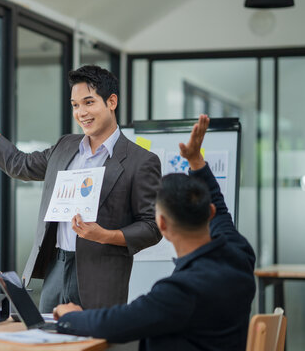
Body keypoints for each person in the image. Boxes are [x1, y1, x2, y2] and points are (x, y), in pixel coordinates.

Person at [0, 65, 162, 312]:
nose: (81, 112)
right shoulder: (65, 146)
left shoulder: (141, 160)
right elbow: (19, 164)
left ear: (112, 101)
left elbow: (152, 226)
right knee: (48, 341)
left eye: (89, 102)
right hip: (56, 269)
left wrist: (104, 235)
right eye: (75, 105)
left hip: (100, 278)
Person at [53, 115, 256, 350]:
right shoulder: (238, 253)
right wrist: (195, 160)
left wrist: (70, 316)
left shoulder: (182, 291)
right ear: (208, 212)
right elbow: (221, 208)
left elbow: (115, 324)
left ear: (162, 225)